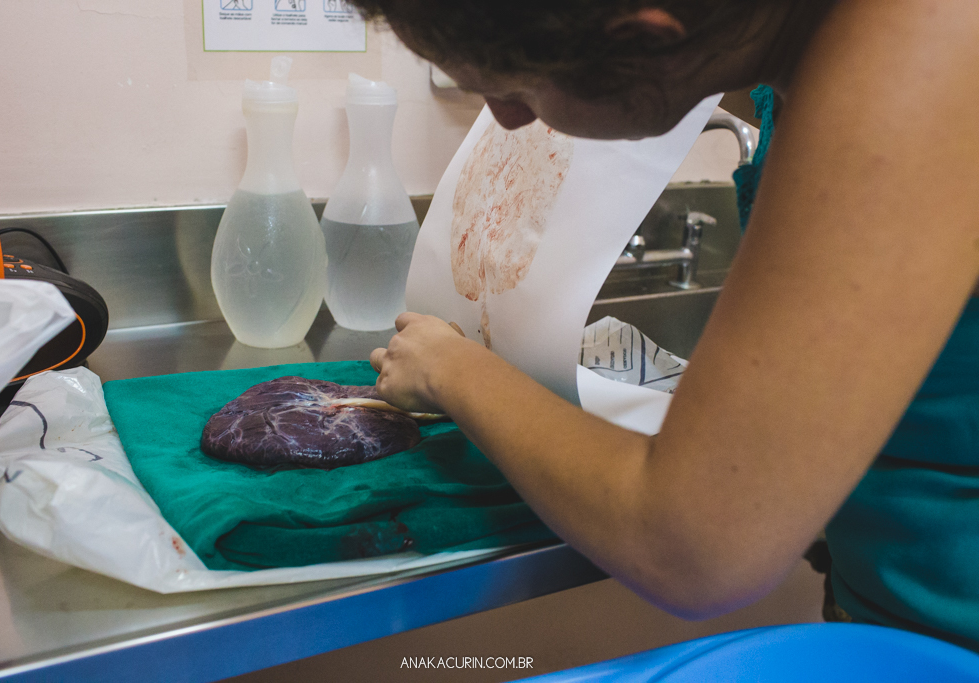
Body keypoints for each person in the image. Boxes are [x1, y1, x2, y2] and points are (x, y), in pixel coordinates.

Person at [356, 0, 979, 651]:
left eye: (515, 87)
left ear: (643, 41)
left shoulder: (920, 59)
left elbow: (695, 547)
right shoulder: (804, 40)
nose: (505, 118)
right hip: (887, 620)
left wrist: (452, 368)